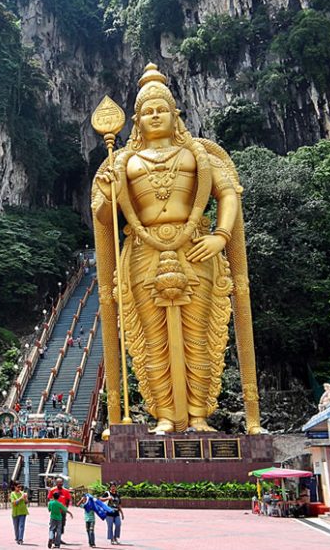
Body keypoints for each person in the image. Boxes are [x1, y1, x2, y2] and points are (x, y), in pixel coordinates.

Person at [92, 63, 262, 435]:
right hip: (143, 252)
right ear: (136, 120)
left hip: (195, 248)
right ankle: (164, 415)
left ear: (175, 114)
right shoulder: (121, 162)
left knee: (199, 335)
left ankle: (199, 415)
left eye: (161, 109)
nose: (155, 115)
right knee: (152, 342)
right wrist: (107, 193)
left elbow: (228, 192)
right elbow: (104, 219)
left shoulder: (198, 155)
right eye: (147, 111)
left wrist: (220, 234)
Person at [47, 477, 71, 542]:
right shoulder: (52, 490)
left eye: (61, 483)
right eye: (58, 483)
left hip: (62, 511)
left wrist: (66, 507)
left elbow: (68, 499)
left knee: (62, 524)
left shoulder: (66, 491)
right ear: (56, 483)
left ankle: (58, 538)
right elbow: (49, 498)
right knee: (53, 525)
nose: (60, 484)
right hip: (55, 511)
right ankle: (53, 538)